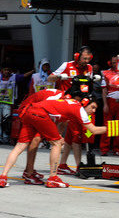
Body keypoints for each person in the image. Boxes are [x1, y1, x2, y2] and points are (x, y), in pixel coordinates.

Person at [0, 96, 107, 188]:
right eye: (92, 107)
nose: (93, 111)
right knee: (57, 143)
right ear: (85, 104)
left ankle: (3, 177)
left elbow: (60, 122)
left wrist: (57, 135)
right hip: (40, 114)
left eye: (95, 109)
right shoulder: (80, 111)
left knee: (20, 146)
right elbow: (93, 130)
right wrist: (111, 129)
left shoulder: (70, 102)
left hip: (30, 110)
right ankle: (53, 178)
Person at [48, 46, 94, 174]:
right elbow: (49, 78)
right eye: (84, 58)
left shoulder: (89, 68)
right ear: (77, 56)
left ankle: (62, 164)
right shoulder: (66, 65)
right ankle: (79, 167)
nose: (86, 61)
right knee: (74, 135)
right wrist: (59, 76)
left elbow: (89, 86)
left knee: (70, 136)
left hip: (80, 105)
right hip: (66, 104)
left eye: (88, 59)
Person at [17, 88, 65, 185]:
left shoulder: (63, 98)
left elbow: (63, 121)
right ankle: (29, 173)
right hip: (29, 110)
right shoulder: (55, 99)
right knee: (36, 139)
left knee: (37, 139)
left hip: (34, 109)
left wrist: (57, 134)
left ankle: (28, 170)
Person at [0, 65, 35, 143]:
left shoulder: (14, 77)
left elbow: (24, 76)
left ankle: (5, 137)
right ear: (2, 70)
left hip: (7, 103)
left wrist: (33, 71)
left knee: (6, 121)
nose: (7, 71)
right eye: (5, 69)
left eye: (8, 70)